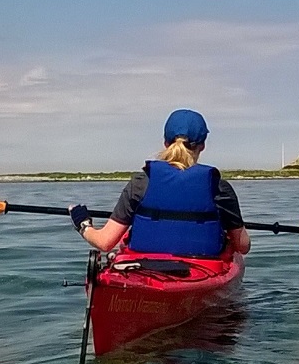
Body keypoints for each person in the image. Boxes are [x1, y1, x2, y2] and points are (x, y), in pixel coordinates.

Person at [69, 109, 252, 257]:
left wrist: (82, 223)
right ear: (202, 145)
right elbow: (242, 246)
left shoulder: (141, 182)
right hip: (203, 271)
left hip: (144, 271)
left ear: (165, 142)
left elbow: (105, 242)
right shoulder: (218, 187)